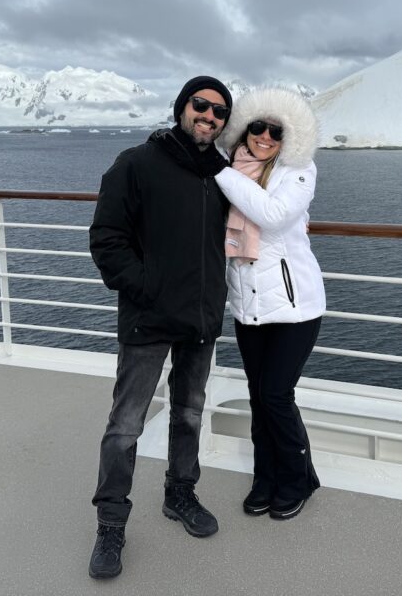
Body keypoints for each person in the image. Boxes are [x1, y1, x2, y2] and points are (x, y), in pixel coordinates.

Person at [86, 75, 232, 579]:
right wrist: (145, 286)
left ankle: (180, 494)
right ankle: (110, 523)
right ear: (182, 107)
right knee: (126, 424)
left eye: (219, 112)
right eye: (201, 105)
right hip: (148, 316)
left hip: (200, 317)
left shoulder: (222, 174)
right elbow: (107, 237)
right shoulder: (137, 163)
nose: (209, 116)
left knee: (189, 413)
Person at [213, 87, 325, 520]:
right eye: (257, 127)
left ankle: (298, 479)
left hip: (296, 307)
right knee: (258, 397)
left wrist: (222, 174)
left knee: (276, 395)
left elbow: (273, 216)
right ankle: (265, 478)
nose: (264, 136)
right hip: (248, 305)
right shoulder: (232, 165)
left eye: (275, 131)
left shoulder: (298, 171)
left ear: (287, 137)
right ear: (244, 129)